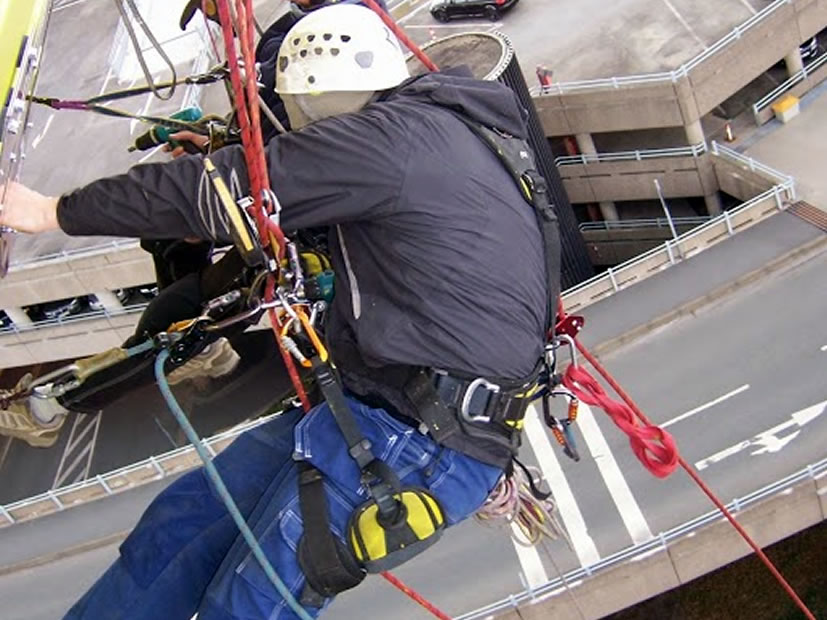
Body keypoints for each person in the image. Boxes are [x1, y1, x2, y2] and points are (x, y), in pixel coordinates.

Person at [0, 4, 559, 618]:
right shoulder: (427, 132)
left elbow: (229, 186)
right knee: (176, 532)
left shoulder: (389, 141)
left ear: (318, 103)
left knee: (245, 604)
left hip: (419, 437)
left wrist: (50, 212)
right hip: (374, 412)